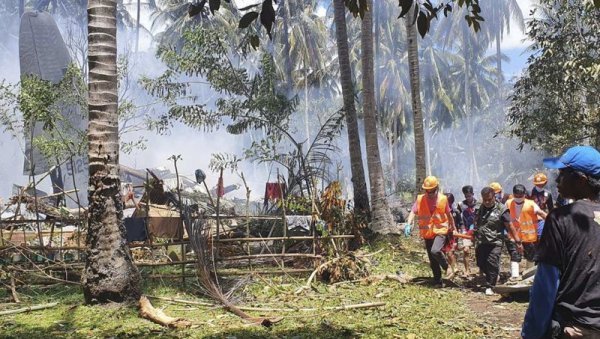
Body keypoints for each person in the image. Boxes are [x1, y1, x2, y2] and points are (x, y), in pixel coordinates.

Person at [522, 145, 600, 338]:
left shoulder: (561, 218)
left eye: (563, 174)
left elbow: (546, 285)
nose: (557, 180)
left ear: (581, 180)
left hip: (576, 327)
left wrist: (531, 333)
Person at [405, 176, 456, 287]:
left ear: (436, 188)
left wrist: (453, 228)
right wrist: (408, 224)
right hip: (428, 233)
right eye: (427, 191)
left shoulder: (443, 199)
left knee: (435, 251)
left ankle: (447, 267)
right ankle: (438, 281)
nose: (429, 193)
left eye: (432, 191)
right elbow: (413, 212)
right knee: (432, 260)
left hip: (440, 230)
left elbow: (449, 215)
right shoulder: (420, 199)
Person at [473, 186, 520, 296]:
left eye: (490, 199)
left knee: (492, 262)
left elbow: (510, 226)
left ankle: (491, 285)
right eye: (485, 200)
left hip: (495, 241)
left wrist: (517, 240)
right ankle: (493, 276)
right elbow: (476, 220)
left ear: (494, 197)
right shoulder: (479, 207)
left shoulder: (501, 209)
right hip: (481, 241)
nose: (487, 202)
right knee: (480, 263)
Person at [505, 184, 547, 279]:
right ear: (513, 194)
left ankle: (529, 276)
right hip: (513, 235)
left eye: (521, 196)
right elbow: (503, 217)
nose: (518, 198)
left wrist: (553, 221)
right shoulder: (508, 203)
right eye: (516, 196)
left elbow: (542, 214)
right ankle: (514, 277)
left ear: (525, 194)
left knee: (531, 257)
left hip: (529, 236)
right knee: (515, 255)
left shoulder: (531, 204)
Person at [457, 185, 477, 276]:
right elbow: (457, 216)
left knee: (480, 251)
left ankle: (481, 270)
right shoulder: (461, 205)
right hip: (466, 230)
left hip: (477, 231)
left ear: (473, 194)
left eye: (469, 196)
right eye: (466, 196)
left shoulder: (479, 204)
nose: (468, 198)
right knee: (466, 250)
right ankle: (467, 270)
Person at [442, 192, 462, 275]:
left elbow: (460, 223)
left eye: (448, 201)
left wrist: (458, 233)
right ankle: (449, 268)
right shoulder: (440, 211)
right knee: (443, 252)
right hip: (442, 234)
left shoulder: (455, 212)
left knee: (451, 252)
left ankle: (455, 268)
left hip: (452, 235)